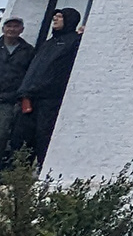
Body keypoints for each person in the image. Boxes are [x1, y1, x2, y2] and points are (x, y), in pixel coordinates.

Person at [13, 9, 82, 171]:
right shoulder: (48, 43)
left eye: (60, 17)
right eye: (55, 17)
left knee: (44, 138)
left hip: (50, 100)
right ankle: (18, 176)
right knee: (21, 140)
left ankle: (44, 174)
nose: (55, 19)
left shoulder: (74, 41)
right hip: (30, 98)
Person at [0, 18, 35, 176]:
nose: (11, 29)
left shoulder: (28, 51)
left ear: (22, 29)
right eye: (8, 26)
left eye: (16, 26)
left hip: (6, 102)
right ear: (3, 28)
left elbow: (30, 75)